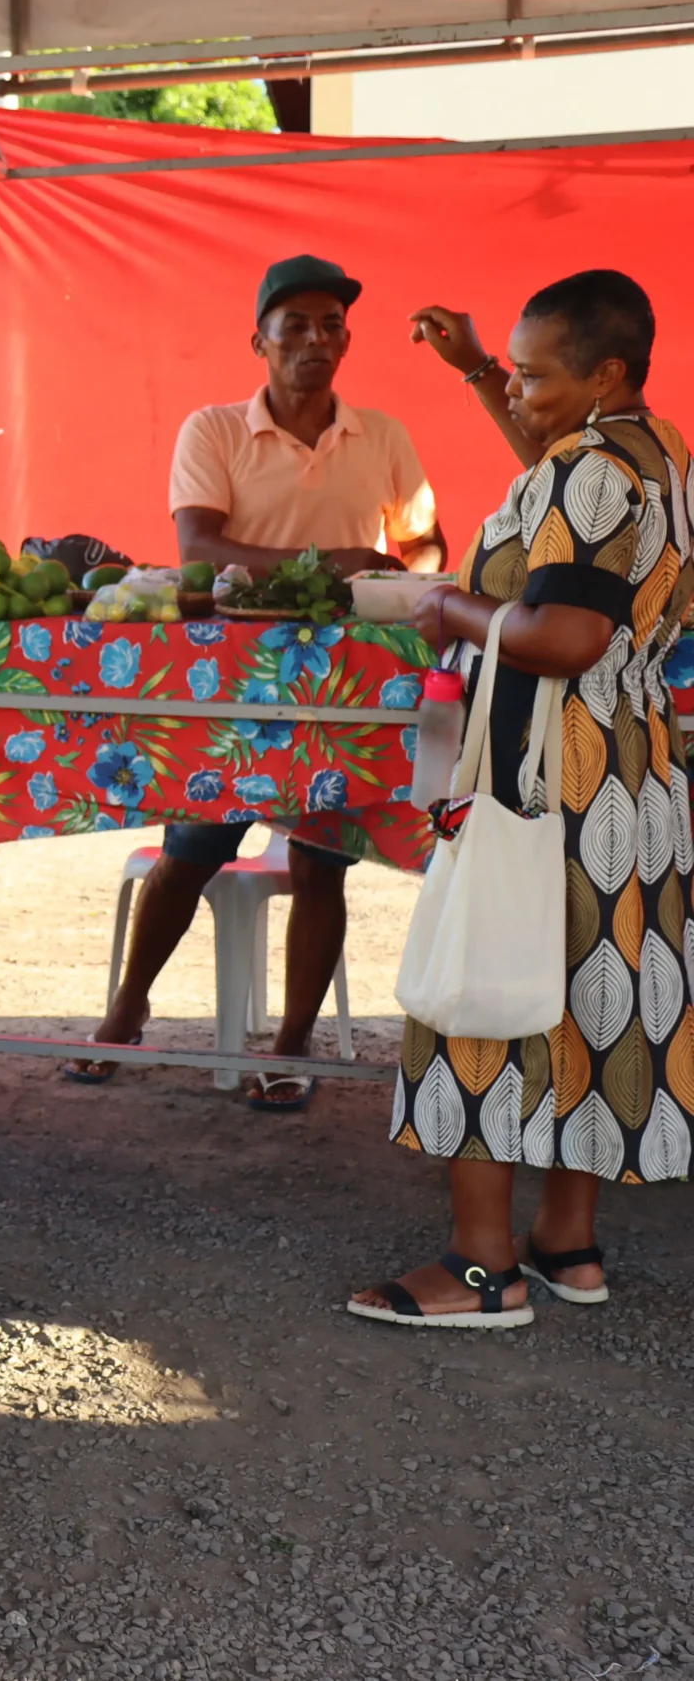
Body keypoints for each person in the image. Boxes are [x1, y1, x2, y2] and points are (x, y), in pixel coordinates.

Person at [351, 270, 690, 1328]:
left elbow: (565, 635)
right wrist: (475, 375)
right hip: (630, 777)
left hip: (545, 776)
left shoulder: (587, 468)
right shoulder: (654, 448)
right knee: (588, 999)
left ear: (603, 374)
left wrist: (445, 605)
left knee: (483, 995)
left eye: (536, 377)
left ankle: (477, 1272)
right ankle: (565, 1245)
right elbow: (562, 494)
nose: (522, 396)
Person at [75, 255, 444, 1110]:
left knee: (323, 866)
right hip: (229, 680)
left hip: (344, 683)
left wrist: (400, 573)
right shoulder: (211, 429)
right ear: (260, 340)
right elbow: (197, 550)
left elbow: (427, 546)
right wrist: (335, 562)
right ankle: (126, 1010)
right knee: (190, 853)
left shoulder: (381, 434)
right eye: (297, 325)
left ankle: (291, 1046)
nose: (317, 339)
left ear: (346, 339)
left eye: (331, 325)